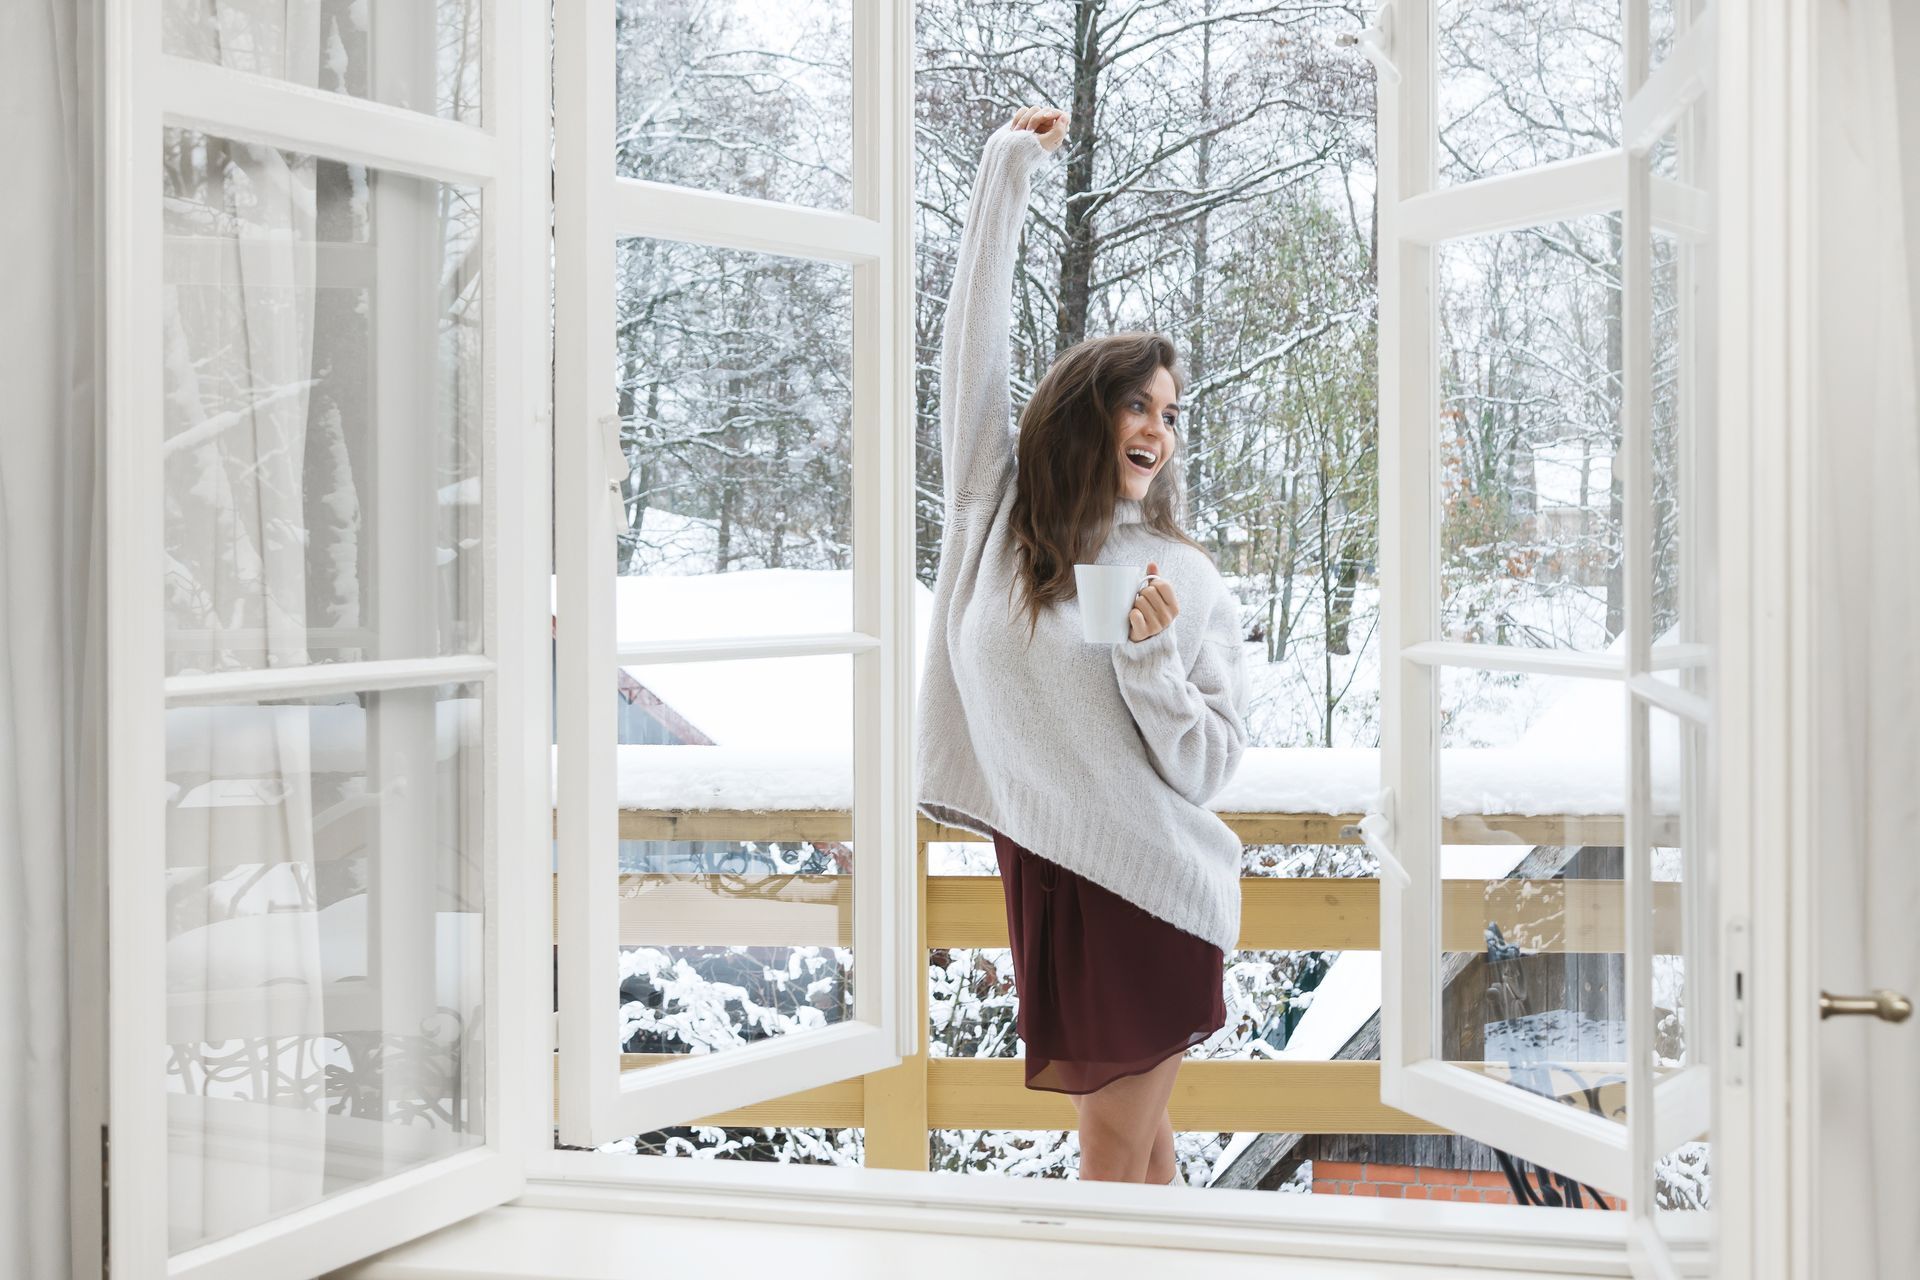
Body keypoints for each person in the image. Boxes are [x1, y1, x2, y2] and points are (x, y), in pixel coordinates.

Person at [914, 105, 1252, 1186]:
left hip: (1146, 889)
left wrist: (1153, 664)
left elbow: (1204, 764)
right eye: (1137, 405)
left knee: (1111, 1155)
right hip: (1050, 872)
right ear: (1085, 412)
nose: (1159, 428)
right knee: (1141, 1154)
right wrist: (1005, 173)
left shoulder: (1169, 572)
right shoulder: (1001, 523)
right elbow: (969, 350)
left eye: (1173, 411)